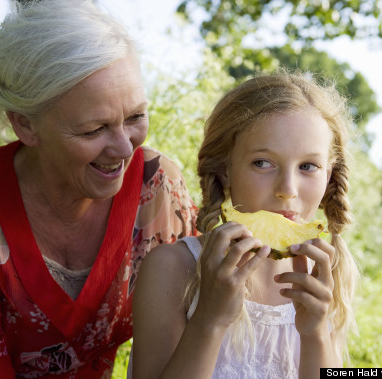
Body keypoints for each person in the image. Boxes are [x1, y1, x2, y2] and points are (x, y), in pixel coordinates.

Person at [0, 0, 198, 377]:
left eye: (135, 117)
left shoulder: (157, 190)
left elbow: (200, 327)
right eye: (94, 129)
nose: (124, 148)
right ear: (25, 125)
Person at [131, 71, 360, 379]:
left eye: (308, 166)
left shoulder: (327, 271)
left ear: (329, 175)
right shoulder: (172, 268)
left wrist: (315, 332)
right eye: (262, 163)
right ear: (225, 170)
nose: (287, 189)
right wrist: (209, 319)